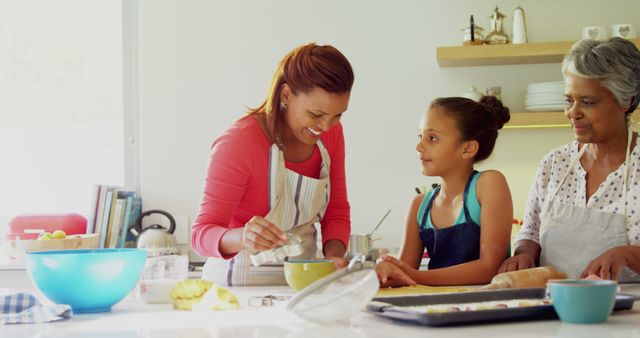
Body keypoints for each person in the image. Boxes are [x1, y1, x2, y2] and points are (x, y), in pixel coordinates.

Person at [191, 43, 353, 286]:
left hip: (304, 285)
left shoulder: (331, 134)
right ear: (286, 95)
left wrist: (334, 257)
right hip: (240, 289)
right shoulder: (238, 143)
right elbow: (201, 234)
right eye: (316, 114)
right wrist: (243, 236)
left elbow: (336, 210)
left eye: (338, 115)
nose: (326, 127)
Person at [499, 37, 640, 281]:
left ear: (625, 101)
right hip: (552, 305)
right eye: (568, 100)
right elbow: (530, 232)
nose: (573, 112)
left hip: (628, 313)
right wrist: (524, 254)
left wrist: (627, 254)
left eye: (588, 102)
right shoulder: (554, 164)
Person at [377, 96, 513, 287]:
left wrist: (415, 276)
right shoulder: (420, 205)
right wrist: (385, 273)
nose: (419, 146)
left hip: (486, 307)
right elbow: (402, 274)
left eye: (432, 138)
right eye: (420, 136)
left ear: (468, 148)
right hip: (437, 308)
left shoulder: (489, 183)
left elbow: (490, 267)